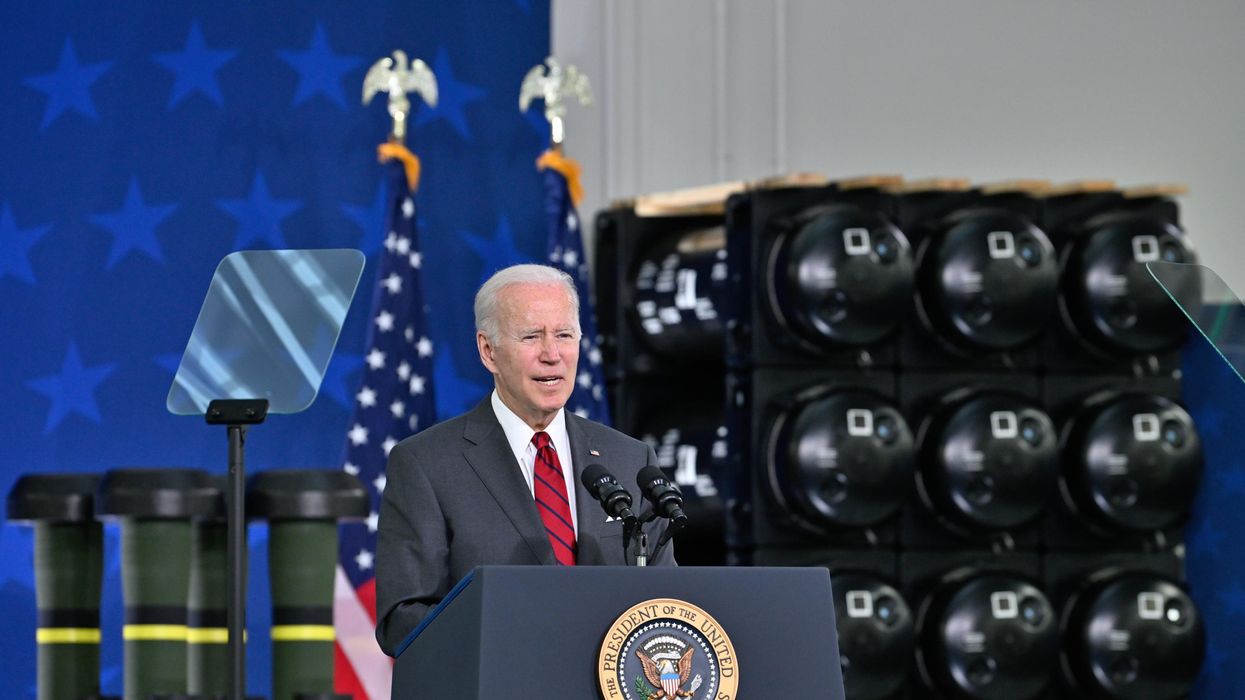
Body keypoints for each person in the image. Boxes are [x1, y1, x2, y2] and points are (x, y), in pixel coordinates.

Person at [375, 263, 676, 656]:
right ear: (489, 351)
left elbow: (668, 607)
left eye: (565, 335)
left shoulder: (630, 459)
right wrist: (518, 644)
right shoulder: (427, 464)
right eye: (532, 337)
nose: (552, 355)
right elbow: (403, 618)